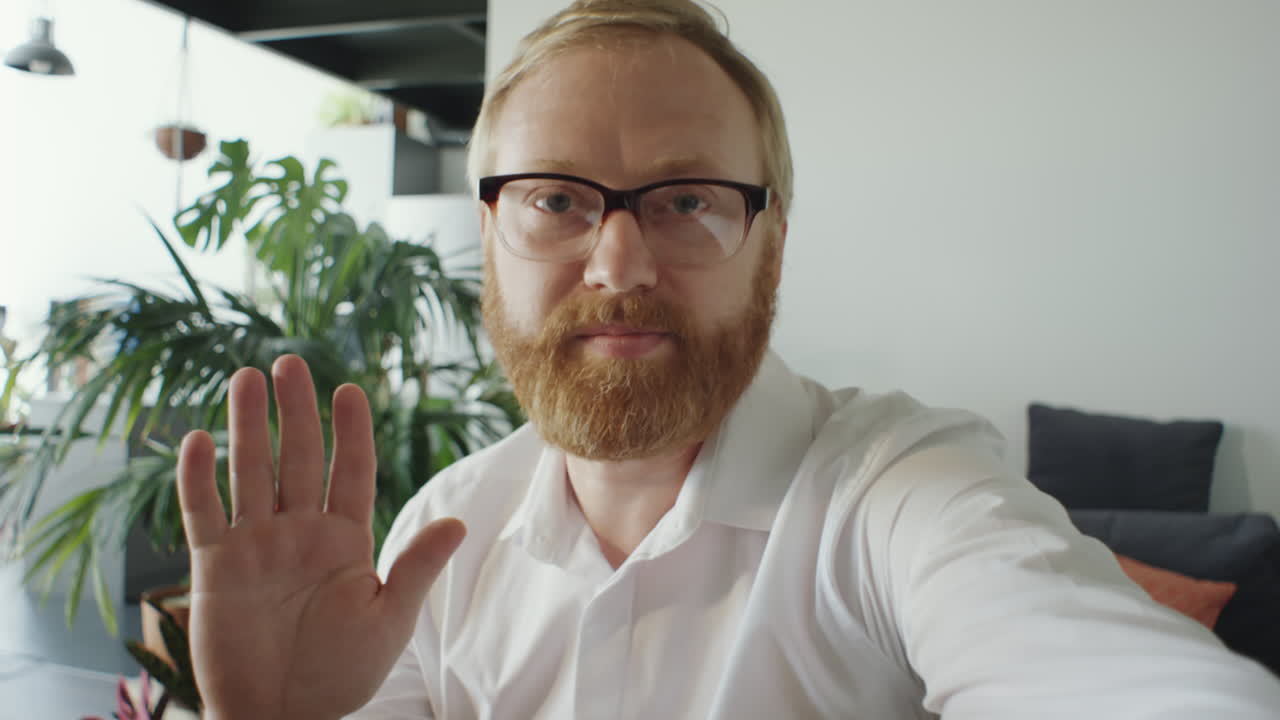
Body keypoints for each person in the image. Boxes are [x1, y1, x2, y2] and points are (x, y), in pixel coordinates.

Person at [175, 1, 1280, 718]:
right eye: (554, 199)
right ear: (490, 239)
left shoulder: (896, 495)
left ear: (771, 245)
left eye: (687, 201)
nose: (618, 264)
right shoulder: (442, 536)